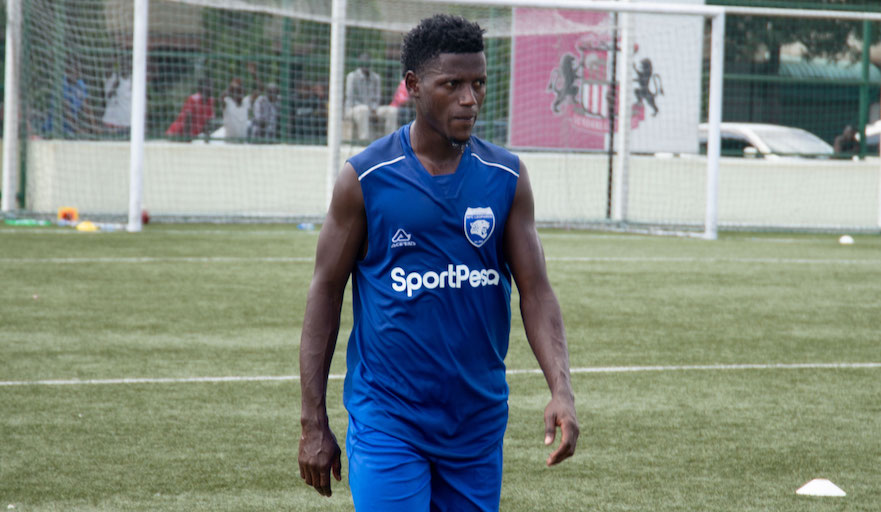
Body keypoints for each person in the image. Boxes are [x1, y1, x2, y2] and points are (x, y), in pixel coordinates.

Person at [298, 14, 579, 511]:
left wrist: (562, 390)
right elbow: (325, 291)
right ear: (413, 86)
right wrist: (313, 421)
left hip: (476, 423)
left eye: (479, 84)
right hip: (389, 418)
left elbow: (536, 291)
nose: (470, 98)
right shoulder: (365, 178)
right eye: (452, 84)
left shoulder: (506, 177)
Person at [344, 52, 398, 141]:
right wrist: (368, 108)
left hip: (373, 109)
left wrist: (373, 108)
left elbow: (377, 97)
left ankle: (391, 141)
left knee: (392, 110)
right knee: (363, 109)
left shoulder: (376, 78)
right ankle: (364, 141)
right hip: (353, 109)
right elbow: (350, 98)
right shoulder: (352, 77)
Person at [102, 64, 132, 136]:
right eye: (123, 68)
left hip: (127, 119)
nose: (125, 70)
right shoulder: (114, 78)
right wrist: (115, 85)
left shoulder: (132, 80)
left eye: (127, 68)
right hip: (112, 118)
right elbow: (108, 95)